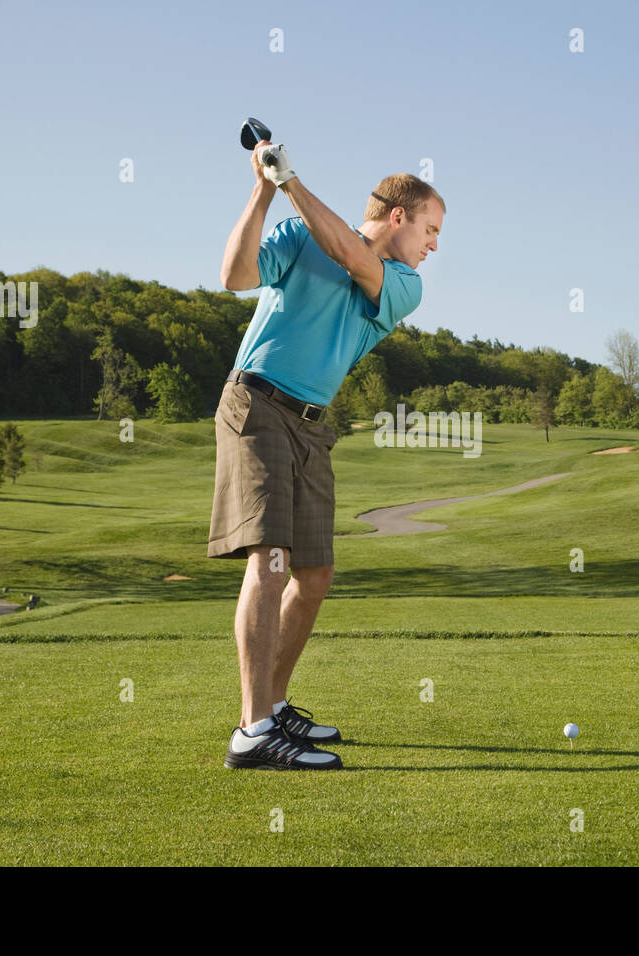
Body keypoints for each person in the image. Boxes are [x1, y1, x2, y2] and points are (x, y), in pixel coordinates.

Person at [211, 137, 445, 770]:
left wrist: (291, 181)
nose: (433, 245)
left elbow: (349, 252)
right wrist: (264, 190)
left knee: (313, 575)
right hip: (256, 405)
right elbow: (234, 276)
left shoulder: (403, 283)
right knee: (272, 561)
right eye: (430, 228)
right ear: (399, 215)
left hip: (312, 425)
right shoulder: (297, 233)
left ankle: (275, 703)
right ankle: (253, 730)